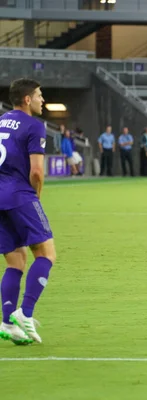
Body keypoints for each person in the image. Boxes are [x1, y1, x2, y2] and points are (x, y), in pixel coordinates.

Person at [0, 78, 57, 345]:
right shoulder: (34, 126)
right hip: (19, 194)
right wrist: (36, 196)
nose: (42, 100)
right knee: (46, 253)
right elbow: (36, 171)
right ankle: (26, 313)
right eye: (39, 95)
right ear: (27, 99)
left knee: (15, 261)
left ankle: (7, 321)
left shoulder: (0, 121)